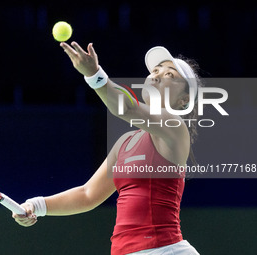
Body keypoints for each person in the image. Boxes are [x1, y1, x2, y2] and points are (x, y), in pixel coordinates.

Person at [13, 42, 201, 255]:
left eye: (170, 75)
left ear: (184, 100)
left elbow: (127, 108)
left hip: (166, 250)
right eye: (155, 70)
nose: (156, 75)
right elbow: (88, 194)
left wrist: (94, 74)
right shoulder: (125, 142)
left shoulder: (176, 129)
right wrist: (35, 205)